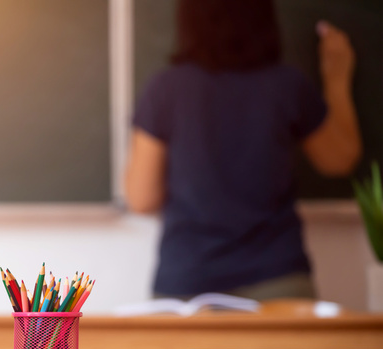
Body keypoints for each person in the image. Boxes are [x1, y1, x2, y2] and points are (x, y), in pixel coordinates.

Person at [125, 0, 361, 300]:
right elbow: (340, 159)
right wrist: (337, 80)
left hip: (187, 282)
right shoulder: (288, 85)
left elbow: (141, 198)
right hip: (278, 279)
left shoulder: (165, 90)